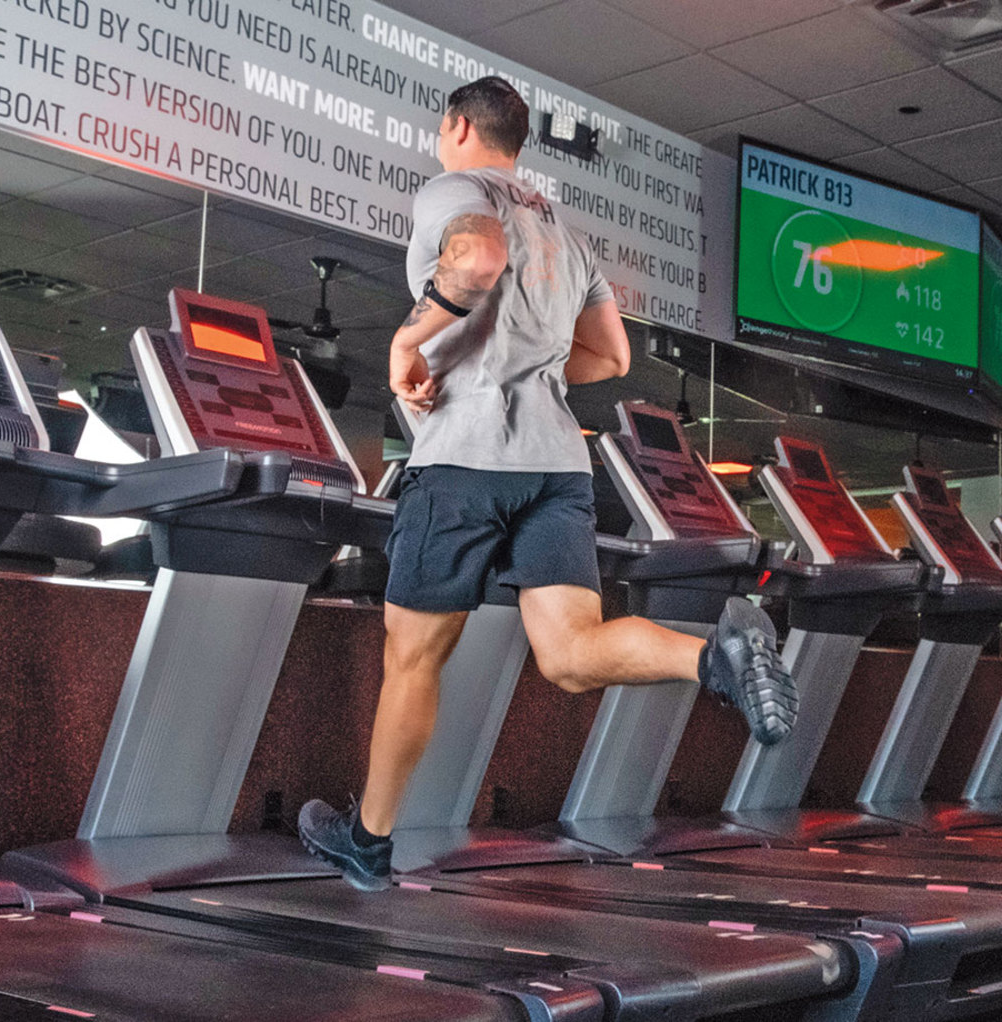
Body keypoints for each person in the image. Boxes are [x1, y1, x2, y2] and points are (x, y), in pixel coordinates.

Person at [299, 76, 798, 892]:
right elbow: (610, 359)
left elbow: (480, 256)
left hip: (463, 458)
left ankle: (368, 842)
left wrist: (409, 339)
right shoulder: (565, 229)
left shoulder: (454, 190)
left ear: (459, 126)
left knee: (414, 656)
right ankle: (717, 658)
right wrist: (520, 361)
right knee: (568, 654)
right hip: (557, 464)